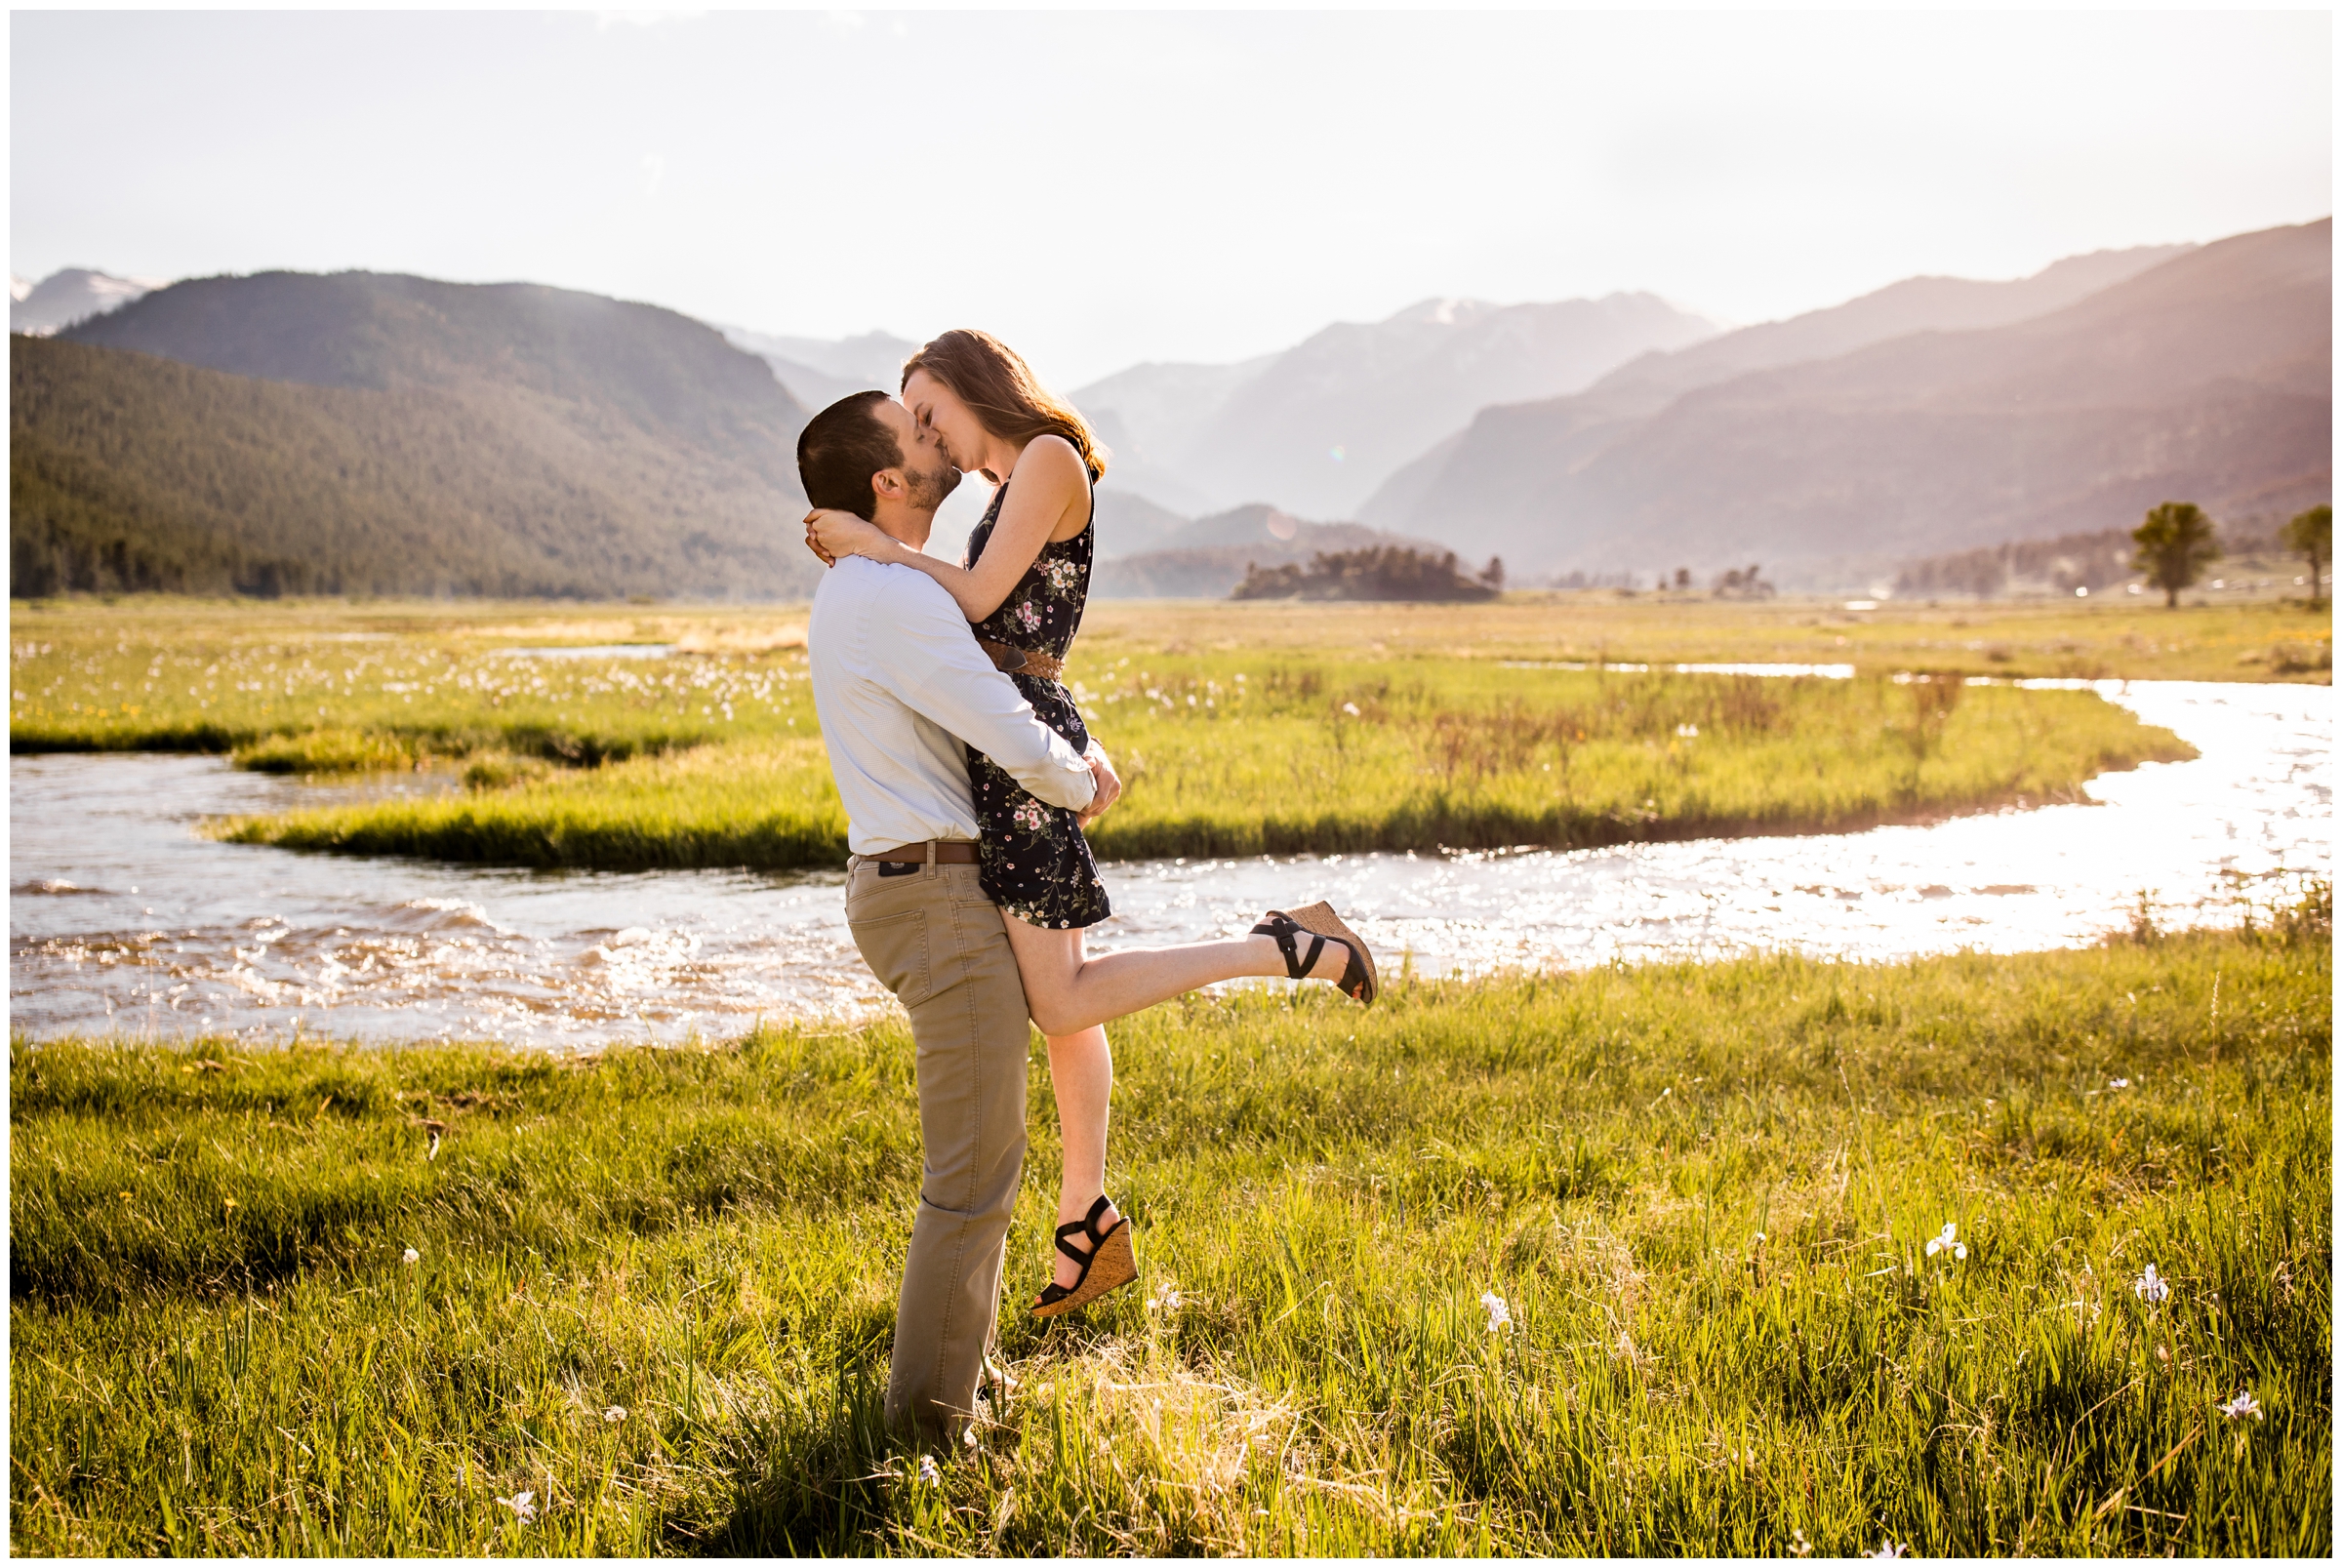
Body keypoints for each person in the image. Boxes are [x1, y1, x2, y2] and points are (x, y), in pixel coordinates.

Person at [797, 374, 1371, 1438]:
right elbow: (1001, 724)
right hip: (930, 892)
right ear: (889, 478)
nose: (931, 436)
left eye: (934, 412)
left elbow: (1010, 670)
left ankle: (974, 1350)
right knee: (970, 1180)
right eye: (912, 429)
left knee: (997, 1133)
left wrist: (1076, 741)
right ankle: (927, 1427)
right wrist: (1081, 777)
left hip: (922, 885)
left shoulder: (881, 584)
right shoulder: (894, 592)